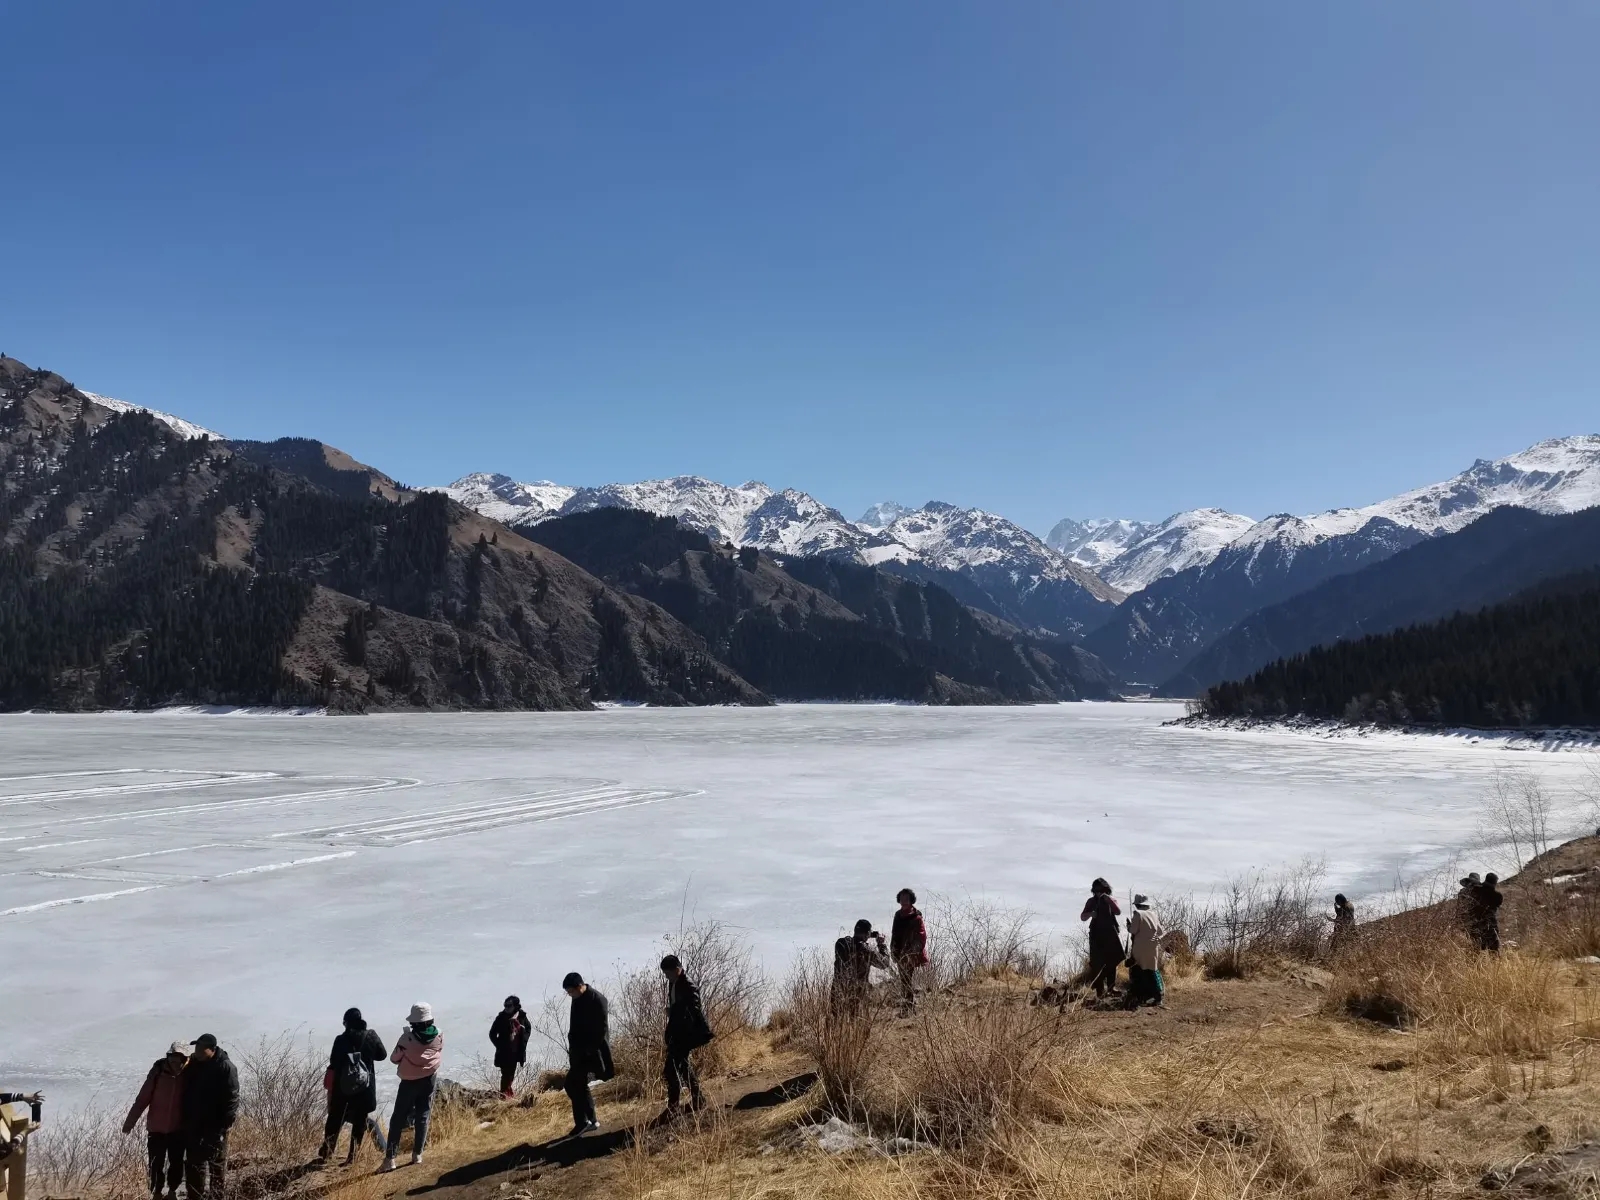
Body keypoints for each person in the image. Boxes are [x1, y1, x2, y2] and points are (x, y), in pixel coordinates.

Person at [380, 1004, 443, 1172]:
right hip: (429, 1078)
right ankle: (417, 1154)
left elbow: (394, 1058)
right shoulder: (439, 1034)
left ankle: (390, 1159)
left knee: (398, 1118)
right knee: (423, 1114)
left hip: (409, 1081)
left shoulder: (406, 1039)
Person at [123, 1041, 189, 1199]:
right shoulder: (158, 1071)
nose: (174, 1061)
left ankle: (173, 1191)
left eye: (178, 1057)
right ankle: (156, 1192)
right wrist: (129, 1123)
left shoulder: (190, 1073)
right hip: (156, 1128)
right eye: (172, 1057)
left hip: (178, 1128)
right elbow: (142, 1099)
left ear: (184, 1058)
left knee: (176, 1162)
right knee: (155, 1164)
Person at [321, 1008, 387, 1165]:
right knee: (360, 1121)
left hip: (342, 1089)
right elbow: (382, 1055)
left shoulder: (340, 1040)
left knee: (335, 1118)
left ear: (346, 1023)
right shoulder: (371, 1036)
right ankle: (352, 1157)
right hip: (364, 1088)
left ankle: (327, 1152)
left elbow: (334, 1062)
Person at [180, 1034, 238, 1200]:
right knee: (193, 1164)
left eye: (201, 1048)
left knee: (216, 1165)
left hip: (215, 1125)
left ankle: (217, 1197)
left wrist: (224, 1125)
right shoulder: (193, 1064)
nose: (197, 1051)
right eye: (196, 1047)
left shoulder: (225, 1067)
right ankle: (194, 1197)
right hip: (194, 1124)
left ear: (212, 1049)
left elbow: (232, 1098)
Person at [659, 955, 712, 1119]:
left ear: (677, 969)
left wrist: (674, 1012)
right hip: (677, 1032)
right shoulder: (674, 982)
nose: (666, 977)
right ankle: (697, 1100)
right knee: (682, 1067)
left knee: (672, 1069)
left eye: (668, 973)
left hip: (685, 1034)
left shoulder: (689, 985)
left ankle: (674, 1107)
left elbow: (694, 1009)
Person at [562, 973, 612, 1137]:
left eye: (570, 991)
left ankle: (584, 1121)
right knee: (578, 1084)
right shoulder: (577, 998)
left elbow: (602, 1030)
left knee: (572, 1084)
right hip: (579, 1051)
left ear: (579, 986)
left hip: (592, 1052)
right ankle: (591, 1120)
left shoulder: (598, 1000)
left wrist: (589, 1050)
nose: (570, 995)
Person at [832, 919, 890, 1014]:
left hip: (837, 991)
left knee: (837, 1018)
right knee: (855, 1019)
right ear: (867, 933)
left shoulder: (840, 944)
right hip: (856, 994)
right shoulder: (866, 950)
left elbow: (854, 942)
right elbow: (884, 963)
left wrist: (867, 935)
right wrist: (881, 945)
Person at [1080, 879, 1124, 997]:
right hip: (1096, 935)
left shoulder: (1110, 900)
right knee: (1097, 962)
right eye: (1096, 890)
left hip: (1110, 933)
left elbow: (1118, 912)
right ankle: (1100, 990)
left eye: (1101, 890)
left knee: (1113, 960)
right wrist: (1090, 914)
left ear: (1106, 890)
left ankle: (1111, 987)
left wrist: (1108, 900)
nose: (1098, 893)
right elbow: (1082, 917)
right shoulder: (1091, 901)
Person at [889, 889, 929, 1014]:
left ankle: (909, 1008)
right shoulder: (898, 915)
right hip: (900, 953)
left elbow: (921, 937)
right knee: (904, 981)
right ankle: (908, 1007)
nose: (904, 901)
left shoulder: (916, 917)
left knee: (907, 980)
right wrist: (893, 951)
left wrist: (911, 954)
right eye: (902, 898)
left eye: (906, 898)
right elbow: (894, 934)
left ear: (911, 900)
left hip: (912, 955)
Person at [1123, 895, 1165, 1009]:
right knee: (1152, 970)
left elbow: (1133, 930)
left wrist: (1128, 926)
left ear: (1137, 905)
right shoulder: (1153, 914)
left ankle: (1140, 996)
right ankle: (1158, 996)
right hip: (1153, 947)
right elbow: (1161, 932)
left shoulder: (1137, 914)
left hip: (1140, 947)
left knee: (1138, 969)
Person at [489, 996, 532, 1100]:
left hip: (516, 1051)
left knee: (511, 1075)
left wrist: (523, 1038)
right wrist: (499, 1045)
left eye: (509, 1006)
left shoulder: (521, 1016)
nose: (506, 1008)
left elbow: (528, 1028)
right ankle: (504, 1096)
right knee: (505, 1075)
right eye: (505, 1005)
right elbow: (492, 1033)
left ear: (516, 1006)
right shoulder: (501, 1017)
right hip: (504, 1052)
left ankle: (507, 1095)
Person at [1473, 873, 1504, 952]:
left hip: (1476, 923)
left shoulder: (1475, 890)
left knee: (1479, 947)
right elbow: (1498, 904)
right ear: (1494, 882)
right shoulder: (1497, 895)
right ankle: (1494, 959)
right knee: (1494, 947)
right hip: (1490, 923)